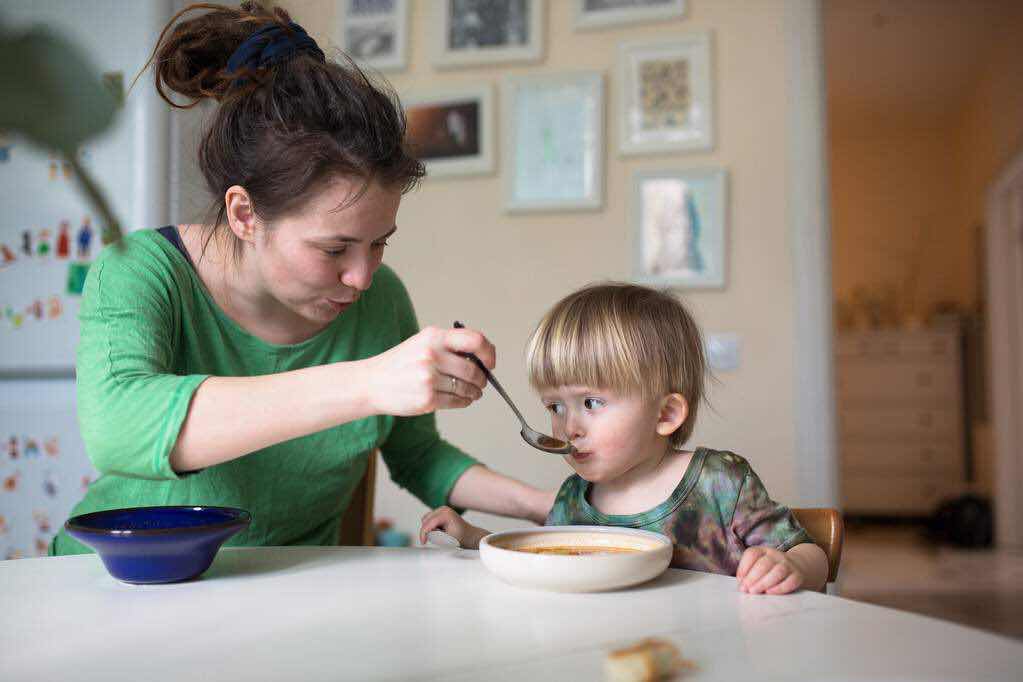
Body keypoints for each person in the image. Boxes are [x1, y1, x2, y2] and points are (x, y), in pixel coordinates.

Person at [50, 2, 552, 555]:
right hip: (114, 585)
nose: (362, 276)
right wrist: (367, 383)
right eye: (334, 248)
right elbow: (118, 426)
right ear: (244, 214)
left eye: (379, 243)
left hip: (287, 594)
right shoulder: (143, 270)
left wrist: (549, 506)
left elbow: (419, 457)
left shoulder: (382, 300)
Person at [420, 283, 829, 594]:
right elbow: (543, 559)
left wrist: (790, 567)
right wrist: (471, 537)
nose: (568, 428)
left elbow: (811, 555)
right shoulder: (574, 498)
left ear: (666, 414)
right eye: (555, 407)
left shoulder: (720, 482)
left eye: (592, 402)